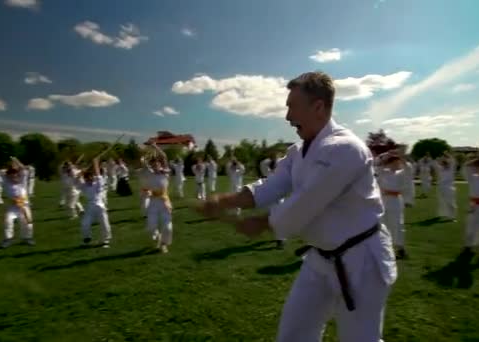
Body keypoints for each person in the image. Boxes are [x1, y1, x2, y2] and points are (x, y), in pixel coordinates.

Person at [196, 72, 396, 342]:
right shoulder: (297, 152)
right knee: (293, 334)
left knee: (360, 338)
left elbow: (305, 203)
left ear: (318, 107)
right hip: (320, 257)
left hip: (361, 259)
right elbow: (271, 186)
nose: (288, 117)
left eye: (292, 107)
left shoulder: (346, 149)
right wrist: (224, 201)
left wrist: (264, 223)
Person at [138, 143, 173, 253]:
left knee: (168, 227)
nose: (155, 166)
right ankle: (158, 237)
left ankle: (163, 244)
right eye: (153, 165)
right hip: (153, 202)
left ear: (160, 165)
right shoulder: (149, 173)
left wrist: (155, 147)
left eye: (157, 164)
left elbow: (164, 157)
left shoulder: (165, 173)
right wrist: (145, 152)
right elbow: (143, 161)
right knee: (151, 227)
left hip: (164, 202)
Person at [376, 152, 407, 259]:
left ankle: (400, 248)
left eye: (397, 163)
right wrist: (386, 155)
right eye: (393, 163)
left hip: (395, 201)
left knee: (397, 224)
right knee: (384, 224)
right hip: (384, 201)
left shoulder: (401, 173)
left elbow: (408, 169)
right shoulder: (384, 172)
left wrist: (401, 157)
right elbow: (377, 164)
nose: (395, 165)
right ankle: (386, 247)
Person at [77, 158, 111, 248]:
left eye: (90, 177)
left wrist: (95, 164)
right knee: (85, 223)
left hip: (100, 205)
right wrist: (81, 173)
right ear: (85, 179)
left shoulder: (98, 183)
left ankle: (105, 240)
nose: (89, 179)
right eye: (87, 178)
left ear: (93, 177)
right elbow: (76, 180)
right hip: (89, 206)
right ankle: (87, 238)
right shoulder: (84, 186)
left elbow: (99, 175)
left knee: (104, 223)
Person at [1, 157, 35, 248]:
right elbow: (1, 173)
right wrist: (10, 166)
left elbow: (24, 171)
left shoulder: (22, 182)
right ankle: (8, 239)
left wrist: (16, 161)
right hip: (12, 207)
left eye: (16, 174)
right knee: (8, 220)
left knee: (27, 222)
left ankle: (27, 238)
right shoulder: (7, 183)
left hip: (24, 206)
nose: (14, 176)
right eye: (12, 175)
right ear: (8, 176)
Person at [432, 152, 457, 221]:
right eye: (444, 163)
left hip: (449, 188)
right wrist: (439, 158)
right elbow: (434, 163)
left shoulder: (451, 169)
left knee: (451, 202)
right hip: (441, 187)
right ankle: (442, 214)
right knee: (441, 201)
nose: (445, 165)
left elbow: (454, 161)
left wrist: (447, 155)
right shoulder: (440, 169)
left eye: (446, 163)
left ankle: (452, 217)